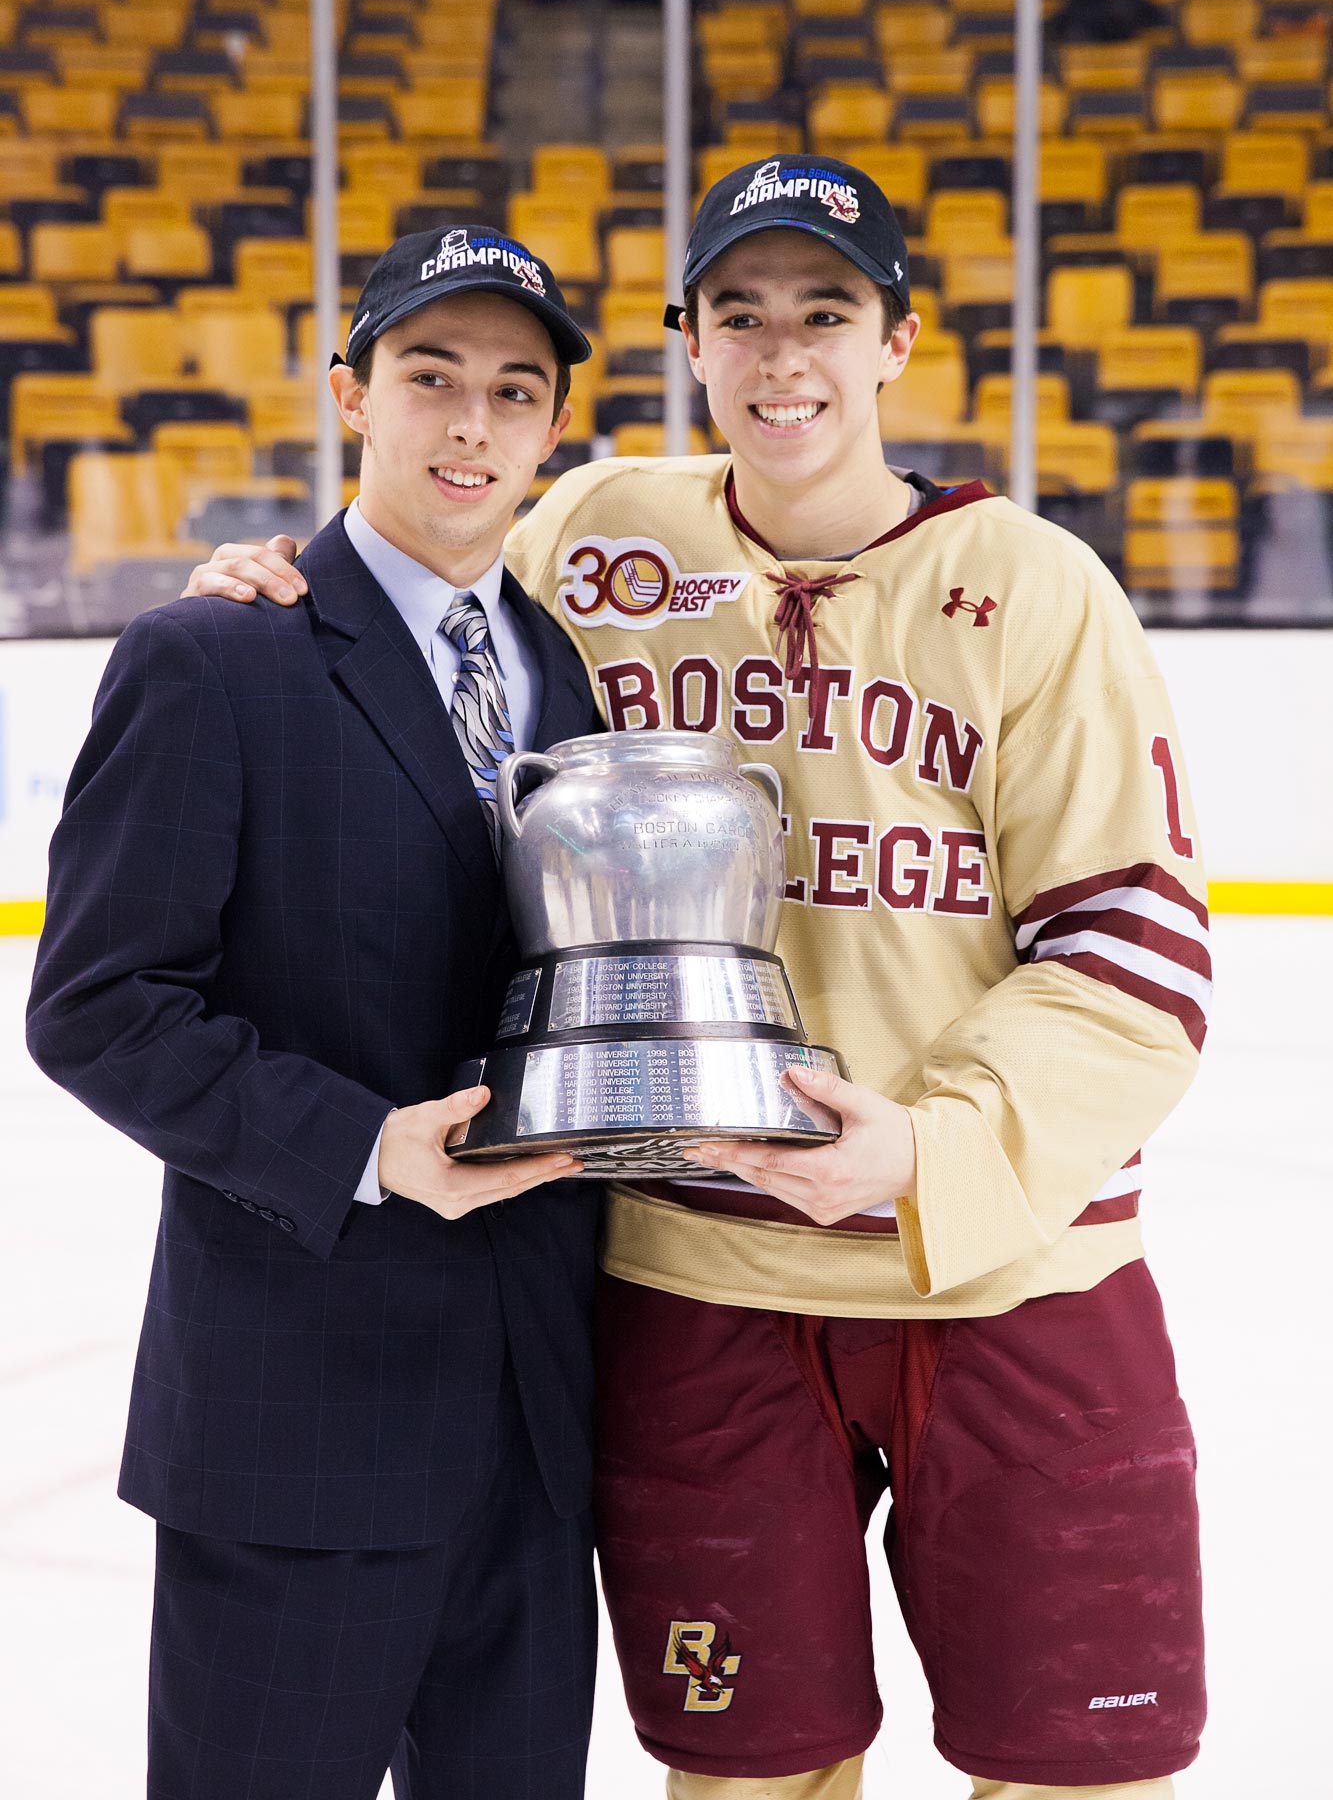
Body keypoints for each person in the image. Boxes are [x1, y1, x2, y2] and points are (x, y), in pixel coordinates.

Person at [188, 157, 1209, 1800]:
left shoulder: (1033, 586)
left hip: (1014, 1275)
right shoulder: (597, 536)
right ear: (687, 342)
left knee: (1073, 1775)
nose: (780, 354)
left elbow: (1133, 936)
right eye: (737, 315)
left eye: (826, 313)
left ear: (896, 341)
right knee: (747, 1774)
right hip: (694, 1276)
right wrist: (267, 587)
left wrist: (929, 1151)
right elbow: (407, 596)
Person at [28, 227, 604, 1800]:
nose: (470, 425)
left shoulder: (571, 675)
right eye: (431, 379)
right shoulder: (215, 656)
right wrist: (365, 1147)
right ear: (351, 393)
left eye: (512, 389)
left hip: (538, 1435)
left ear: (555, 429)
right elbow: (96, 1006)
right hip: (300, 1432)